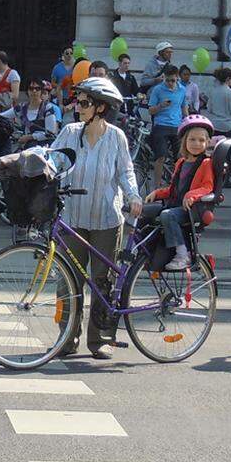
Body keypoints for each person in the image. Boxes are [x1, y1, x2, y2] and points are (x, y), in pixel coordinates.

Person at [49, 78, 143, 359]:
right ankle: (66, 338)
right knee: (67, 282)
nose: (78, 106)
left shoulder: (116, 137)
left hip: (106, 220)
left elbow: (126, 172)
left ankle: (100, 339)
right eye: (77, 101)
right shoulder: (69, 131)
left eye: (85, 102)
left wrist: (133, 196)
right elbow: (53, 160)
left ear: (101, 108)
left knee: (103, 282)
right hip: (73, 217)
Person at [145, 115, 215, 271]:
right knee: (145, 211)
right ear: (184, 141)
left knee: (167, 215)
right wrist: (156, 193)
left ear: (207, 142)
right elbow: (173, 189)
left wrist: (192, 195)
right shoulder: (181, 162)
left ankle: (183, 254)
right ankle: (147, 252)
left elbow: (207, 187)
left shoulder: (206, 163)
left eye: (201, 140)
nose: (197, 144)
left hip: (191, 209)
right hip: (176, 204)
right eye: (192, 140)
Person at [147, 65, 188, 186]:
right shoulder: (158, 90)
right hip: (161, 125)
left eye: (173, 80)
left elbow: (184, 107)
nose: (170, 83)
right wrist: (161, 106)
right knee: (161, 157)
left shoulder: (182, 89)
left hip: (177, 125)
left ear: (177, 78)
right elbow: (150, 110)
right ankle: (157, 186)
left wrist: (188, 121)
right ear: (164, 78)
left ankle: (178, 183)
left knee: (181, 157)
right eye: (167, 80)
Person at [3, 78, 59, 146]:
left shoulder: (47, 108)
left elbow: (51, 133)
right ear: (27, 91)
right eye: (31, 88)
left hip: (44, 149)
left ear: (41, 91)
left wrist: (30, 137)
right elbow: (2, 116)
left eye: (37, 88)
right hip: (26, 149)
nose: (34, 91)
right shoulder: (21, 107)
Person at [207, 67, 231, 137]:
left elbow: (209, 108)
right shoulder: (230, 92)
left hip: (214, 125)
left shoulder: (213, 91)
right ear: (228, 79)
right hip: (227, 126)